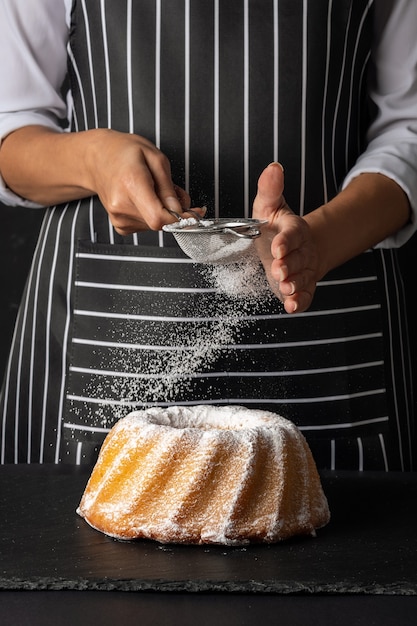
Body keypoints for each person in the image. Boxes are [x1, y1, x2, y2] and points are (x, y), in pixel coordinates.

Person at [0, 0, 416, 470]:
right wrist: (92, 159)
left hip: (325, 334)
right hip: (108, 339)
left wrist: (319, 243)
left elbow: (409, 130)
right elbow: (11, 126)